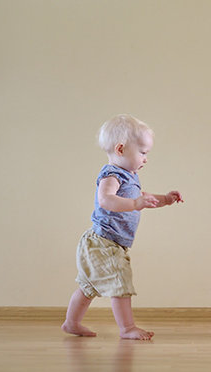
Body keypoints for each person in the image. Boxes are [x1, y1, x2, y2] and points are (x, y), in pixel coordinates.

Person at [62, 114, 184, 340]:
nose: (146, 159)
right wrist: (135, 203)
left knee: (88, 286)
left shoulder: (131, 176)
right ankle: (127, 328)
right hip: (103, 243)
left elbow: (143, 197)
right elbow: (106, 200)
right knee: (121, 282)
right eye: (143, 152)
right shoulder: (111, 175)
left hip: (105, 243)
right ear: (120, 149)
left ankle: (71, 322)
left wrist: (165, 199)